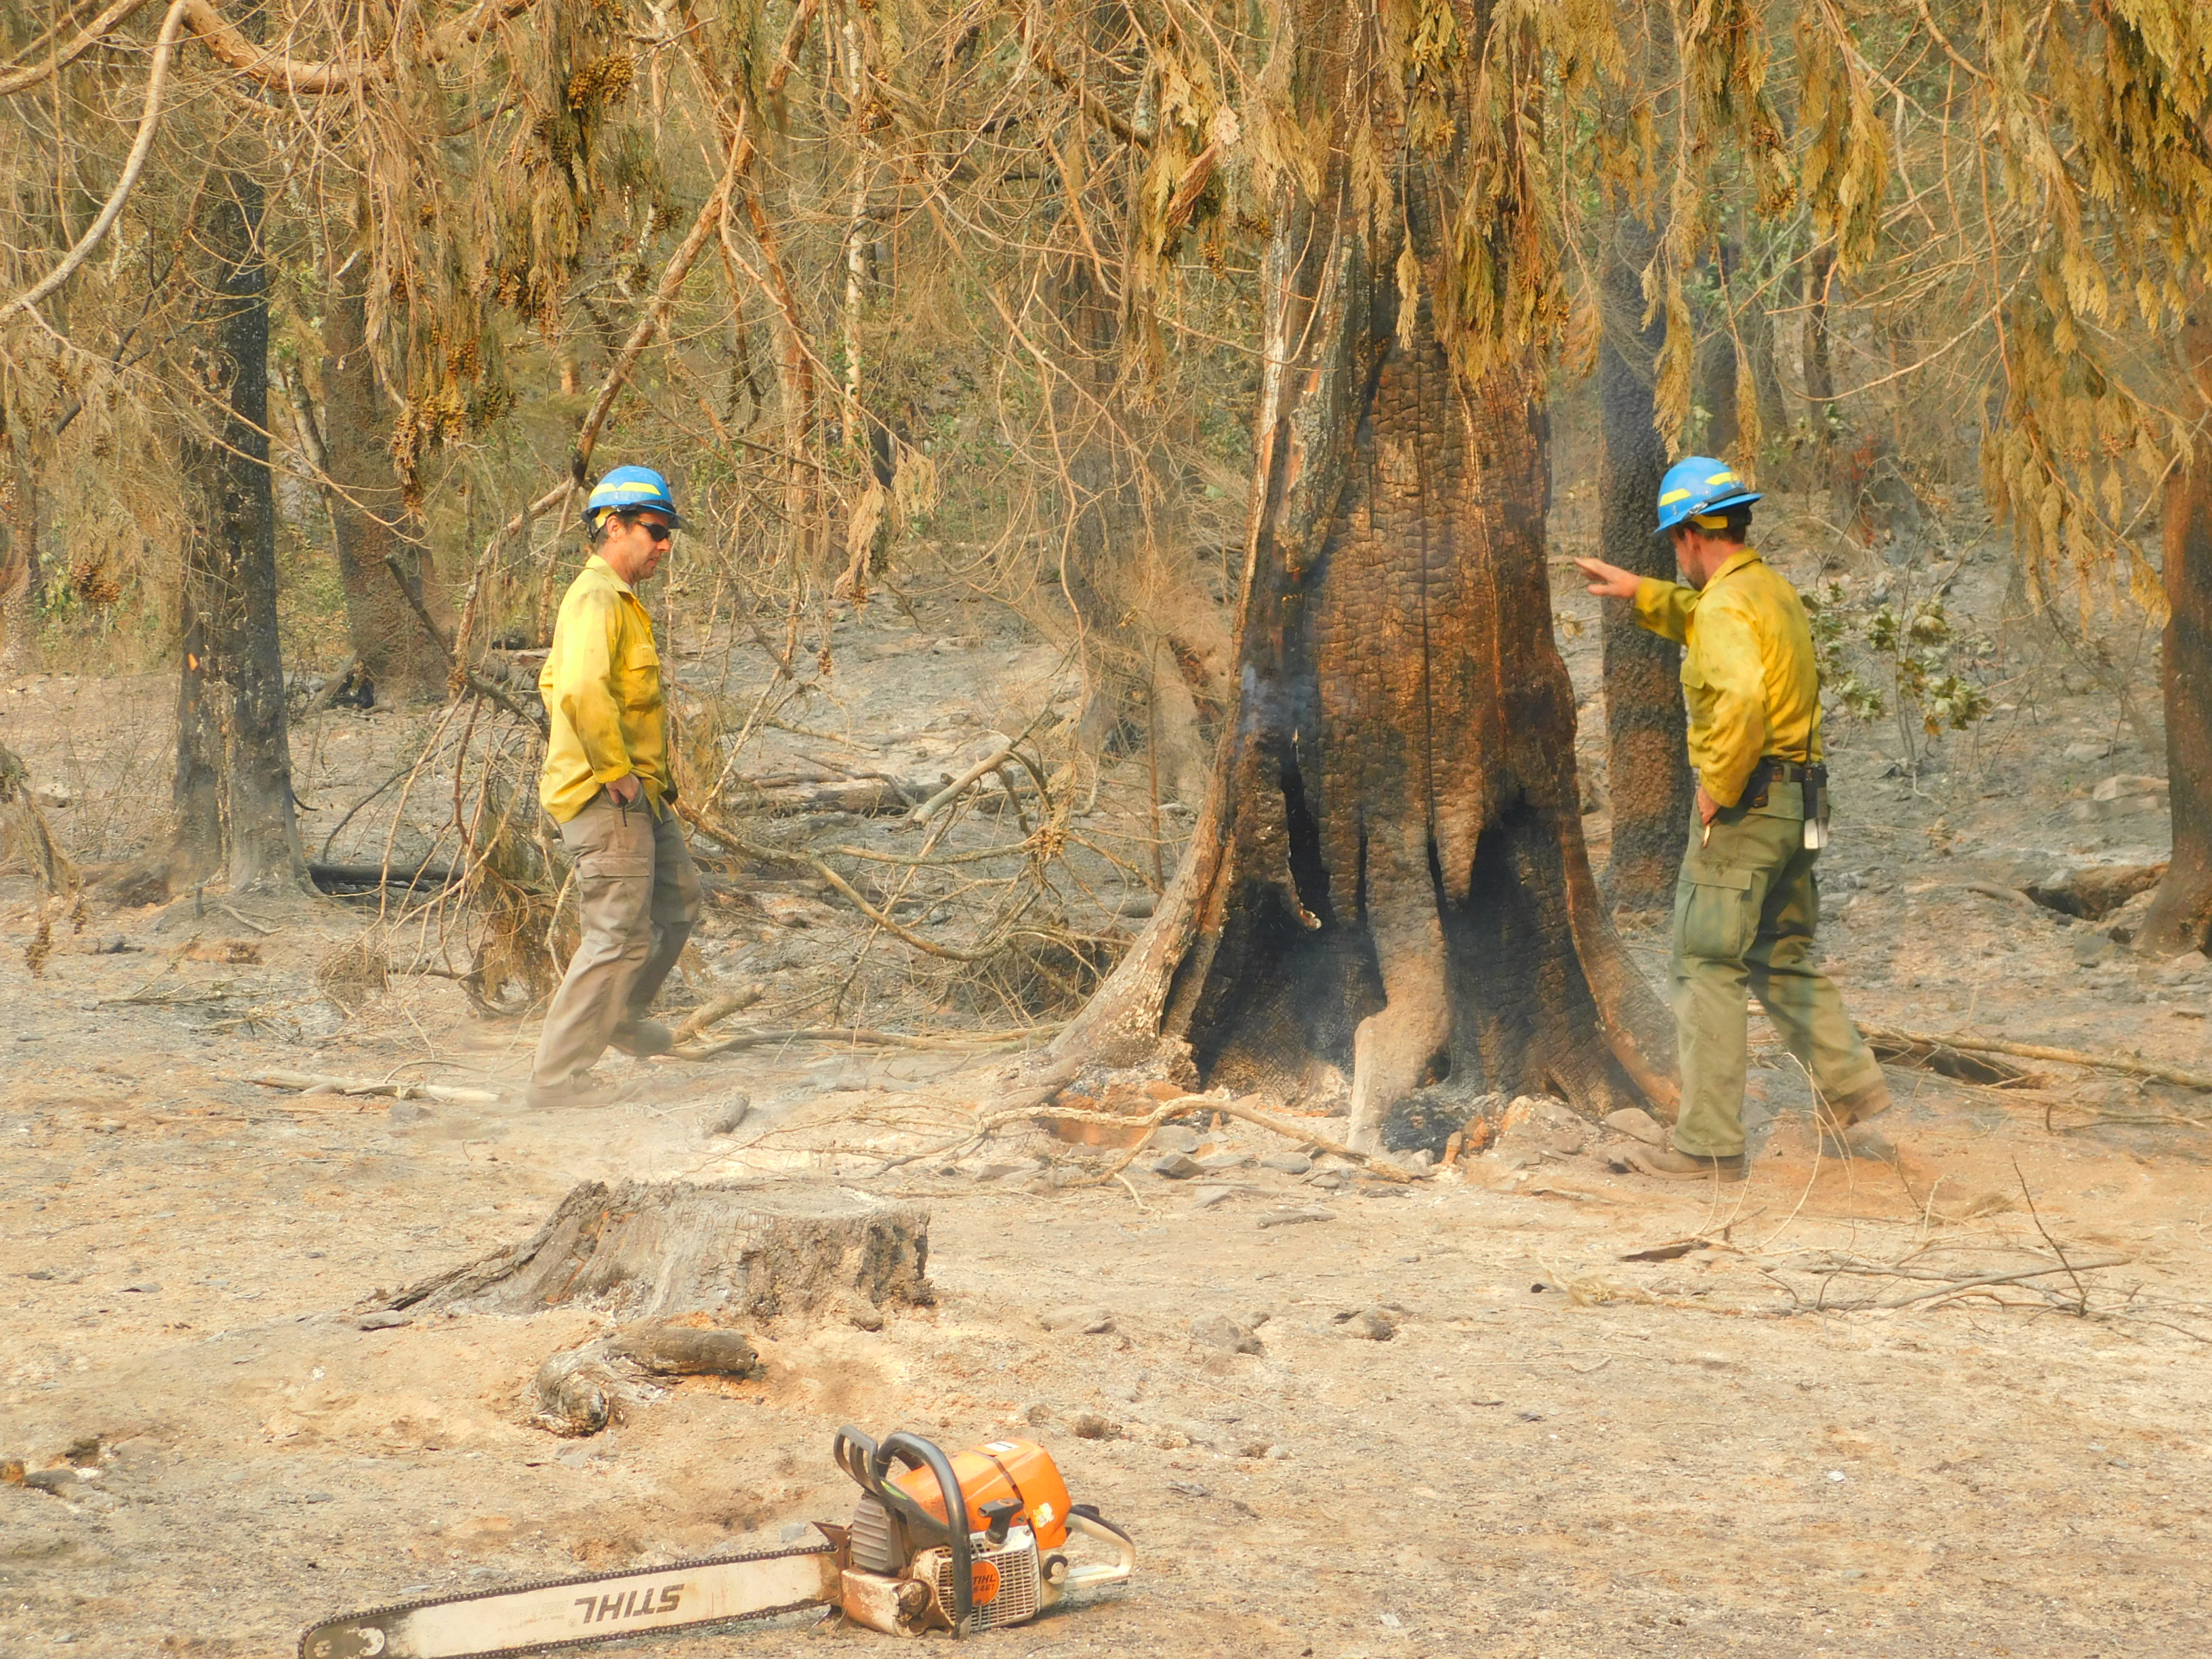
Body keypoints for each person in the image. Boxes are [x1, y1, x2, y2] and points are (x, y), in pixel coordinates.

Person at [1572, 457, 1890, 1180]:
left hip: (1748, 806)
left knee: (1705, 963)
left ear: (1690, 534)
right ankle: (1852, 1090)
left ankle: (1708, 1146)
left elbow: (1740, 696)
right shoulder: (1767, 590)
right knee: (1779, 951)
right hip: (1803, 804)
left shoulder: (1722, 607)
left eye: (1672, 546)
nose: (1674, 557)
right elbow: (1710, 620)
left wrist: (1716, 785)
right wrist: (1639, 592)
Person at [525, 465, 704, 1110]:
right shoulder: (595, 597)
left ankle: (622, 1016)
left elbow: (554, 682)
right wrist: (613, 771)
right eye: (655, 531)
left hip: (640, 794)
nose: (664, 545)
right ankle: (555, 1082)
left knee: (679, 899)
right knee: (616, 935)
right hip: (609, 797)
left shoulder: (621, 602)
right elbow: (575, 690)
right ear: (615, 527)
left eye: (668, 533)